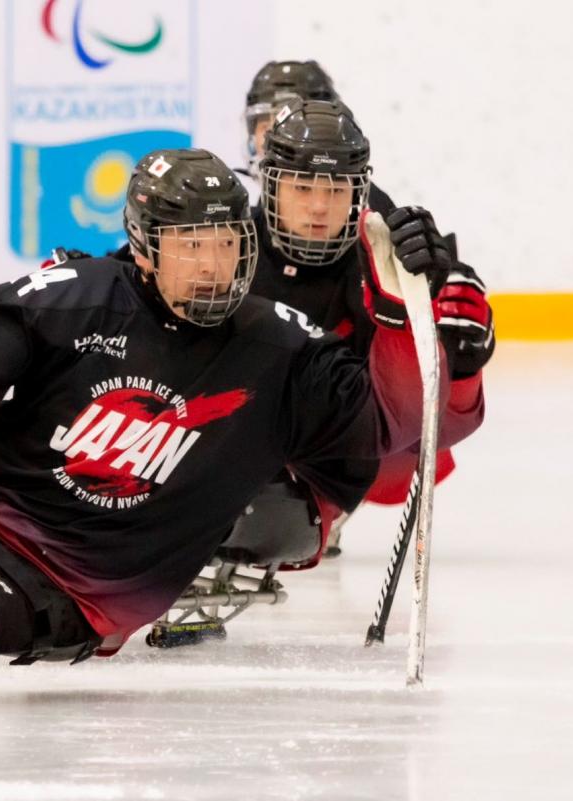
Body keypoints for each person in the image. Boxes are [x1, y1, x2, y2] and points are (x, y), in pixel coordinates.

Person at [0, 146, 455, 692]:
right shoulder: (73, 295)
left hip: (85, 585)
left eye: (230, 243)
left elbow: (392, 427)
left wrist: (396, 310)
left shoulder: (284, 348)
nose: (215, 266)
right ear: (144, 247)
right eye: (191, 246)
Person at [215, 97, 492, 567]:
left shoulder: (386, 255)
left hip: (350, 452)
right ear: (271, 184)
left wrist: (460, 365)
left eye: (337, 189)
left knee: (268, 519)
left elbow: (430, 422)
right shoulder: (225, 244)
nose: (321, 207)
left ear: (360, 191)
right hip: (227, 438)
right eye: (303, 188)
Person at [240, 59, 394, 215]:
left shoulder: (374, 207)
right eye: (266, 128)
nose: (276, 141)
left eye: (293, 129)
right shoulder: (246, 220)